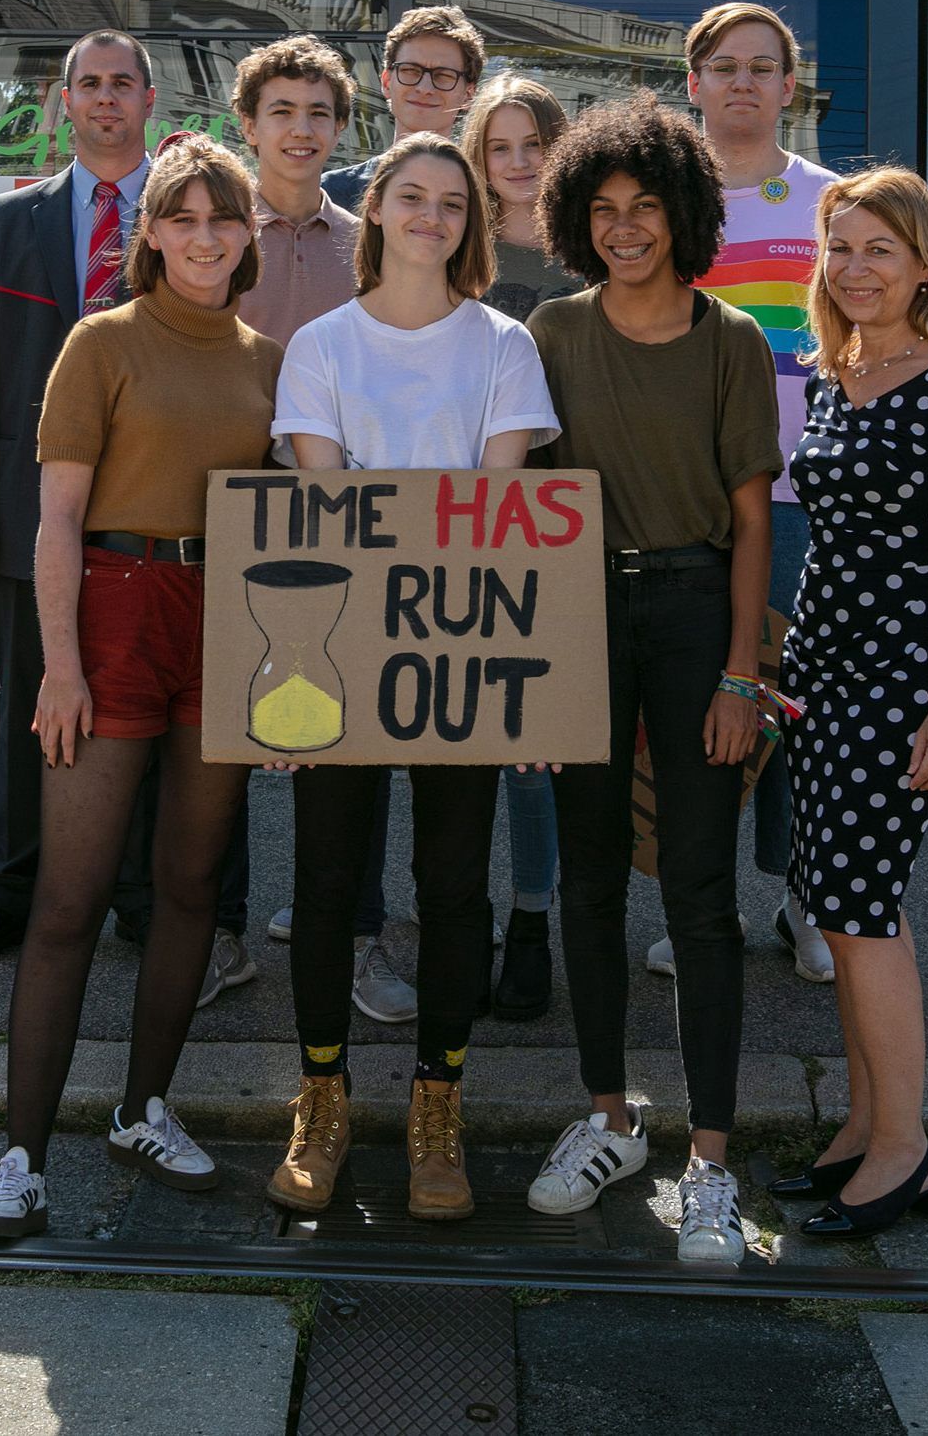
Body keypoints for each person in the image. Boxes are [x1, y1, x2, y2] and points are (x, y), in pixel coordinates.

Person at [0, 135, 282, 1242]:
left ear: (248, 236)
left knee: (190, 887)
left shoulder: (268, 359)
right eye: (182, 218)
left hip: (223, 615)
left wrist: (290, 685)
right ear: (149, 232)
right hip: (111, 607)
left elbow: (293, 532)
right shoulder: (99, 345)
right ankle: (19, 1156)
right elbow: (52, 517)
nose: (203, 237)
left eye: (222, 219)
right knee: (68, 900)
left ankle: (144, 1108)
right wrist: (59, 663)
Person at [264, 131, 560, 1221]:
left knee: (450, 892)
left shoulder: (502, 347)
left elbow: (498, 519)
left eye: (451, 202)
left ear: (468, 224)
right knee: (327, 886)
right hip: (340, 652)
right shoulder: (321, 346)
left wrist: (523, 684)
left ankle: (439, 1105)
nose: (431, 216)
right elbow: (321, 512)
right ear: (376, 208)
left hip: (459, 651)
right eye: (412, 196)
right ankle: (323, 1098)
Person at [522, 93, 778, 1266]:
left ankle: (710, 1165)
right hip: (575, 615)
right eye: (604, 209)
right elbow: (516, 509)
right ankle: (610, 1117)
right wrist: (519, 674)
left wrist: (739, 677)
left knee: (699, 895)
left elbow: (749, 524)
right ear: (577, 217)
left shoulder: (730, 341)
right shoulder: (549, 333)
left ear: (686, 212)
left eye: (647, 208)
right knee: (585, 881)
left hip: (692, 619)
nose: (627, 229)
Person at [770, 168, 928, 1237]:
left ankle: (908, 1150)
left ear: (924, 263)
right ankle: (868, 1125)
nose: (856, 268)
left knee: (860, 908)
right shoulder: (835, 373)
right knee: (839, 902)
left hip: (906, 677)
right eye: (840, 247)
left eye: (879, 248)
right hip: (823, 671)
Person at [0, 31, 160, 971]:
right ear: (63, 102)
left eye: (122, 84)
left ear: (151, 102)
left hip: (154, 512)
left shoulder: (192, 215)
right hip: (30, 518)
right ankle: (5, 896)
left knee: (146, 712)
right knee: (34, 708)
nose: (106, 98)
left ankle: (144, 900)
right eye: (90, 84)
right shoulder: (7, 221)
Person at [231, 36, 418, 1027]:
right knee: (219, 730)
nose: (300, 131)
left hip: (343, 512)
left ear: (342, 129)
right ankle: (218, 933)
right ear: (247, 124)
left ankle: (355, 937)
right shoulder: (210, 234)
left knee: (347, 728)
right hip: (225, 507)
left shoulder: (370, 243)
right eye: (282, 112)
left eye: (318, 114)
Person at [652, 2, 840, 987]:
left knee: (798, 707)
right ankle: (701, 907)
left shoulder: (831, 204)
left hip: (806, 502)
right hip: (689, 499)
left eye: (762, 68)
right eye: (722, 65)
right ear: (693, 83)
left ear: (786, 87)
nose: (741, 82)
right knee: (700, 710)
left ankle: (803, 902)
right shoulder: (659, 203)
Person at [458, 72, 578, 1020]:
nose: (518, 162)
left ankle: (552, 918)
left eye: (533, 142)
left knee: (559, 746)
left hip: (576, 522)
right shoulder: (458, 251)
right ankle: (494, 919)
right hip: (477, 519)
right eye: (499, 146)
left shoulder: (596, 247)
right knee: (492, 740)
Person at [319, 5, 486, 208]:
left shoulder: (484, 198)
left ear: (468, 95)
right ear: (387, 83)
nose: (425, 88)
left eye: (443, 75)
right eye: (410, 70)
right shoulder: (332, 194)